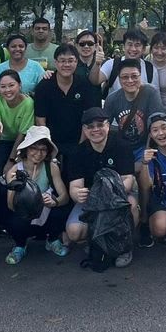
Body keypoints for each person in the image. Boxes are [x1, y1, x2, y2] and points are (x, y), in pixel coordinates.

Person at [63, 109, 138, 267]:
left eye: (99, 125)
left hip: (118, 197)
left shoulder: (122, 146)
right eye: (90, 126)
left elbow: (128, 181)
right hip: (91, 201)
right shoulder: (77, 153)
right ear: (84, 130)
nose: (95, 129)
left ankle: (125, 246)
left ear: (108, 126)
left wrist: (107, 193)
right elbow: (74, 188)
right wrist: (78, 194)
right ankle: (95, 241)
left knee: (131, 206)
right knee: (74, 231)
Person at [0, 125, 71, 265]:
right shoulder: (15, 170)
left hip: (46, 211)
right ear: (27, 149)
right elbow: (10, 205)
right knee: (12, 218)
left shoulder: (51, 167)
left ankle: (52, 239)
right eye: (34, 148)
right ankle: (20, 245)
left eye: (43, 149)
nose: (38, 153)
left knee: (61, 211)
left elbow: (64, 197)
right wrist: (15, 187)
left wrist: (54, 201)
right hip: (24, 213)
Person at [34, 43, 100, 154]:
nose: (66, 64)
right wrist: (49, 147)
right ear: (55, 62)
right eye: (62, 61)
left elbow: (88, 117)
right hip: (51, 144)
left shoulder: (84, 84)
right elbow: (41, 120)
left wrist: (81, 145)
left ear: (76, 62)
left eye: (70, 60)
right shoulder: (44, 86)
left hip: (79, 142)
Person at [0, 69, 36, 199]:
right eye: (3, 87)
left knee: (14, 174)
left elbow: (22, 133)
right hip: (1, 140)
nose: (7, 90)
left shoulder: (28, 103)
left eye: (11, 85)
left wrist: (11, 160)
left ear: (19, 85)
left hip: (21, 142)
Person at [137, 112, 166, 246]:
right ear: (150, 135)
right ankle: (150, 224)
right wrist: (144, 163)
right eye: (155, 130)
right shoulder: (151, 155)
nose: (161, 133)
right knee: (161, 228)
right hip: (164, 201)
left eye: (164, 128)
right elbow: (146, 186)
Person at [104, 58, 165, 144]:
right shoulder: (112, 99)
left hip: (146, 144)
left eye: (134, 76)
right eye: (125, 77)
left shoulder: (151, 92)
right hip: (123, 145)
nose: (130, 80)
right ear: (119, 79)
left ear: (140, 76)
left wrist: (148, 149)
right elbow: (105, 126)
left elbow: (158, 122)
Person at [96, 29, 154, 97]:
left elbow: (154, 94)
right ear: (123, 47)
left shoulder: (150, 69)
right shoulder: (112, 64)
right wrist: (96, 64)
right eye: (130, 44)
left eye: (137, 45)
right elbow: (96, 81)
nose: (133, 49)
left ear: (143, 49)